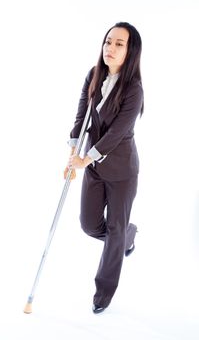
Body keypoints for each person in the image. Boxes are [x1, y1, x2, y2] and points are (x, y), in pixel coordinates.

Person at [64, 22, 144, 314]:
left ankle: (103, 293)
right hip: (94, 167)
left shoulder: (134, 89)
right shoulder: (93, 75)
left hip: (122, 170)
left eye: (119, 44)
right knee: (90, 225)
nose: (110, 48)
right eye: (108, 41)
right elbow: (81, 113)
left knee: (113, 231)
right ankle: (127, 236)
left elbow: (118, 132)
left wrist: (87, 158)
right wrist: (74, 149)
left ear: (130, 50)